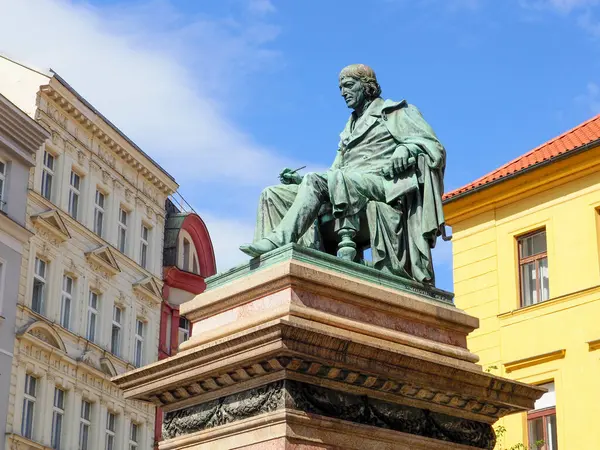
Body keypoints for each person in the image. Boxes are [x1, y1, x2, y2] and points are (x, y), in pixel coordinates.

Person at [240, 64, 446, 284]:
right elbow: (333, 172)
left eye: (348, 86)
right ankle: (272, 265)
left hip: (381, 183)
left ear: (367, 86)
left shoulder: (395, 112)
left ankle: (280, 239)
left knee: (321, 180)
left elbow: (433, 147)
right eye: (340, 88)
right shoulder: (348, 128)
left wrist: (406, 149)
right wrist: (299, 181)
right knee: (272, 194)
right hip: (346, 182)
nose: (343, 93)